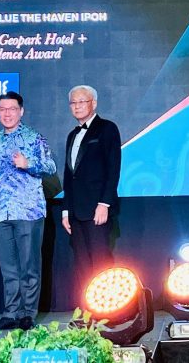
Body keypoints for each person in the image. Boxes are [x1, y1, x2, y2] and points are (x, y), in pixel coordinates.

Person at [0, 91, 56, 331]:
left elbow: (50, 166)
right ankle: (10, 313)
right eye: (3, 109)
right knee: (8, 268)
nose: (7, 113)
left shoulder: (34, 137)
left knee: (29, 266)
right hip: (1, 212)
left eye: (12, 109)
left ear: (21, 111)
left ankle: (28, 314)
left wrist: (28, 164)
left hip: (28, 210)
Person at [62, 85, 121, 291]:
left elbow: (113, 169)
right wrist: (66, 211)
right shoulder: (72, 135)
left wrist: (104, 203)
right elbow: (69, 175)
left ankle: (106, 306)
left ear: (93, 103)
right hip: (76, 212)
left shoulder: (107, 128)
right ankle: (86, 307)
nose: (77, 106)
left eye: (82, 101)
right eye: (73, 103)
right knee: (82, 264)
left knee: (101, 262)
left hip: (97, 209)